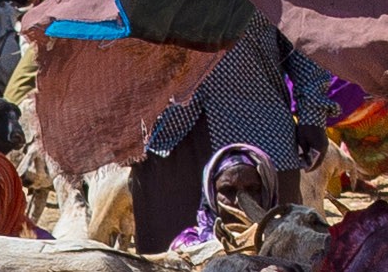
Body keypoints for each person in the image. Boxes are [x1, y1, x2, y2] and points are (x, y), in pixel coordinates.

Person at [131, 15, 324, 247]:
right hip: (168, 136)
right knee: (173, 268)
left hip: (261, 128)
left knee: (275, 255)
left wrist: (313, 114)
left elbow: (302, 37)